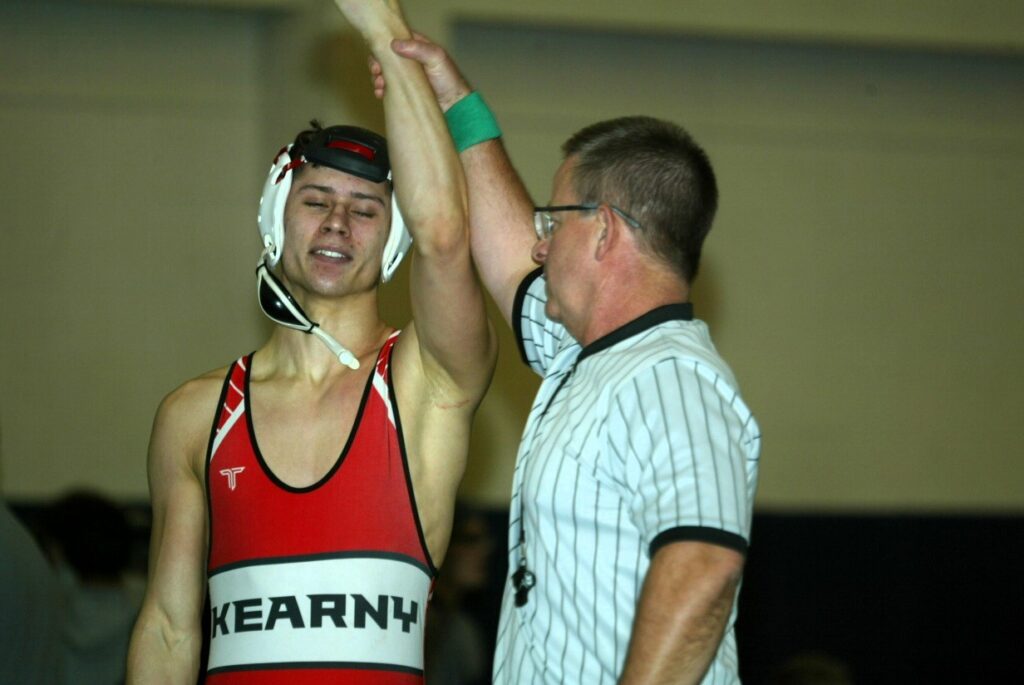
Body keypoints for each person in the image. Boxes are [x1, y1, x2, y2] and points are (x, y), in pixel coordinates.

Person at [126, 0, 496, 682]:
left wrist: (384, 30)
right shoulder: (195, 415)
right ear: (275, 217)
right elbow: (169, 627)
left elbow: (446, 237)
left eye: (365, 211)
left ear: (393, 241)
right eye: (316, 200)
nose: (337, 224)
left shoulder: (424, 385)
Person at [374, 34, 762, 684]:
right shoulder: (583, 356)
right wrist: (454, 102)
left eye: (552, 224)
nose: (539, 245)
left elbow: (705, 568)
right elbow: (507, 257)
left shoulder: (672, 378)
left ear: (603, 230)